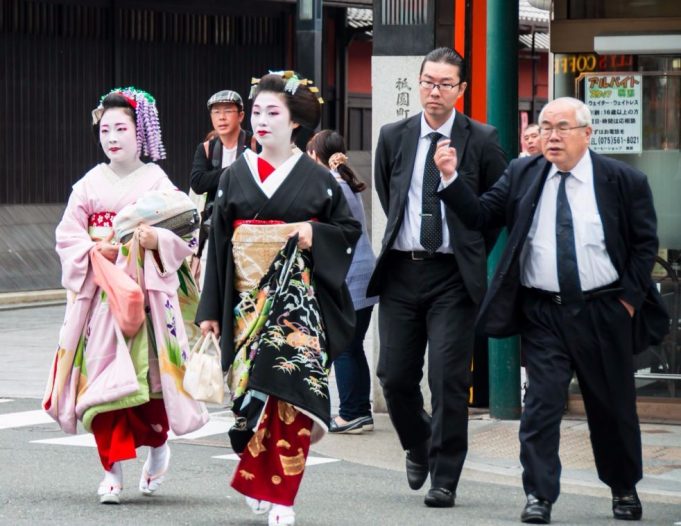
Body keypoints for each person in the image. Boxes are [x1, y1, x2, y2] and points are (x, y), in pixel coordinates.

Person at [436, 97, 669, 523]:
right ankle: (539, 495)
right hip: (543, 311)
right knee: (541, 406)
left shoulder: (622, 180)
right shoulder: (523, 173)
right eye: (545, 127)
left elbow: (643, 245)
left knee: (611, 407)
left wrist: (626, 303)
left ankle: (623, 486)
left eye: (562, 127)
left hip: (603, 308)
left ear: (587, 134)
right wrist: (451, 178)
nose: (553, 136)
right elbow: (482, 215)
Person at [196, 71, 361, 526]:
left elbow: (348, 232)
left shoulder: (319, 179)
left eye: (274, 113)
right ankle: (256, 476)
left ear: (295, 123)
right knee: (250, 398)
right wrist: (211, 310)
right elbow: (218, 243)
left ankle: (283, 496)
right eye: (258, 113)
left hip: (297, 306)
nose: (262, 121)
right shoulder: (233, 176)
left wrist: (313, 233)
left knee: (291, 396)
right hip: (245, 302)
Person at [43, 87, 208, 504]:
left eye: (121, 128)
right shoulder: (88, 184)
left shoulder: (157, 181)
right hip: (100, 294)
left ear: (142, 132)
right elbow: (67, 235)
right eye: (105, 130)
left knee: (148, 384)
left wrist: (153, 237)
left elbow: (186, 232)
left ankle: (156, 447)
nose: (112, 137)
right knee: (102, 381)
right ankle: (111, 470)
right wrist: (93, 249)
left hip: (145, 297)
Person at [367, 46, 508, 508]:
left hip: (453, 277)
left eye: (445, 84)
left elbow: (492, 212)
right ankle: (418, 441)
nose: (434, 91)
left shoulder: (482, 140)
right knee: (393, 376)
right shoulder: (393, 135)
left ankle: (445, 476)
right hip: (402, 272)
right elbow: (392, 199)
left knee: (447, 378)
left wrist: (466, 251)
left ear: (461, 90)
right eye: (428, 81)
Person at [306, 130, 378, 434]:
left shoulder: (332, 186)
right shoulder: (345, 183)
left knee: (344, 347)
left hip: (347, 278)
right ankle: (360, 410)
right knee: (353, 345)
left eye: (310, 152)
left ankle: (350, 413)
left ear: (315, 155)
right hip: (362, 276)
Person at [190, 90, 253, 285]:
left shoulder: (254, 145)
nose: (222, 117)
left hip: (248, 227)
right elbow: (198, 183)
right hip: (214, 227)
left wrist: (219, 176)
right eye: (216, 112)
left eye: (228, 111)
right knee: (212, 285)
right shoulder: (206, 148)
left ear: (241, 115)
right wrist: (235, 171)